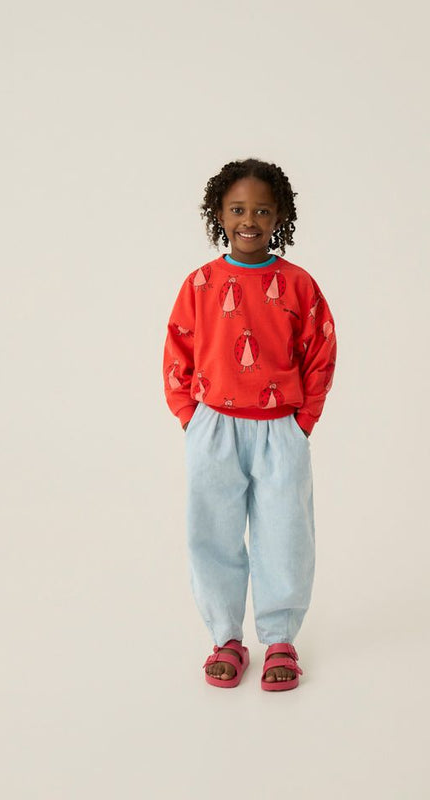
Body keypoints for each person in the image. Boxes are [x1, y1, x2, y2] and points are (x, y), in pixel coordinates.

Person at [162, 158, 337, 691]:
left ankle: (280, 637)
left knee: (285, 533)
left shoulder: (298, 284)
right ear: (219, 214)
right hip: (214, 426)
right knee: (211, 533)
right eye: (237, 209)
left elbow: (320, 350)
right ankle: (225, 637)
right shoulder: (201, 283)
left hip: (280, 428)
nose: (249, 220)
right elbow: (178, 347)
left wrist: (303, 420)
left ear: (280, 216)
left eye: (262, 211)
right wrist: (191, 417)